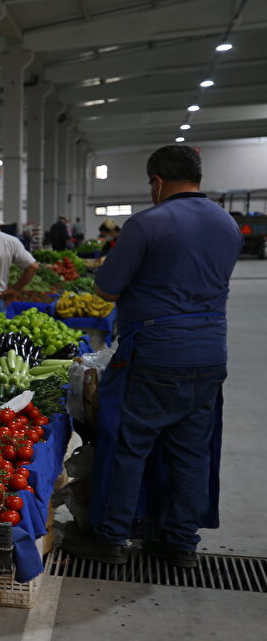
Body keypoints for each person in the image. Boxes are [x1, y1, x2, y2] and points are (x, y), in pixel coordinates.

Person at [64, 145, 242, 569]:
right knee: (192, 452)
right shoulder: (228, 224)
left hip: (155, 353)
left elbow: (106, 290)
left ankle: (112, 539)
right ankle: (180, 544)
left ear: (158, 182)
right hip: (210, 353)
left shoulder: (147, 223)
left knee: (129, 446)